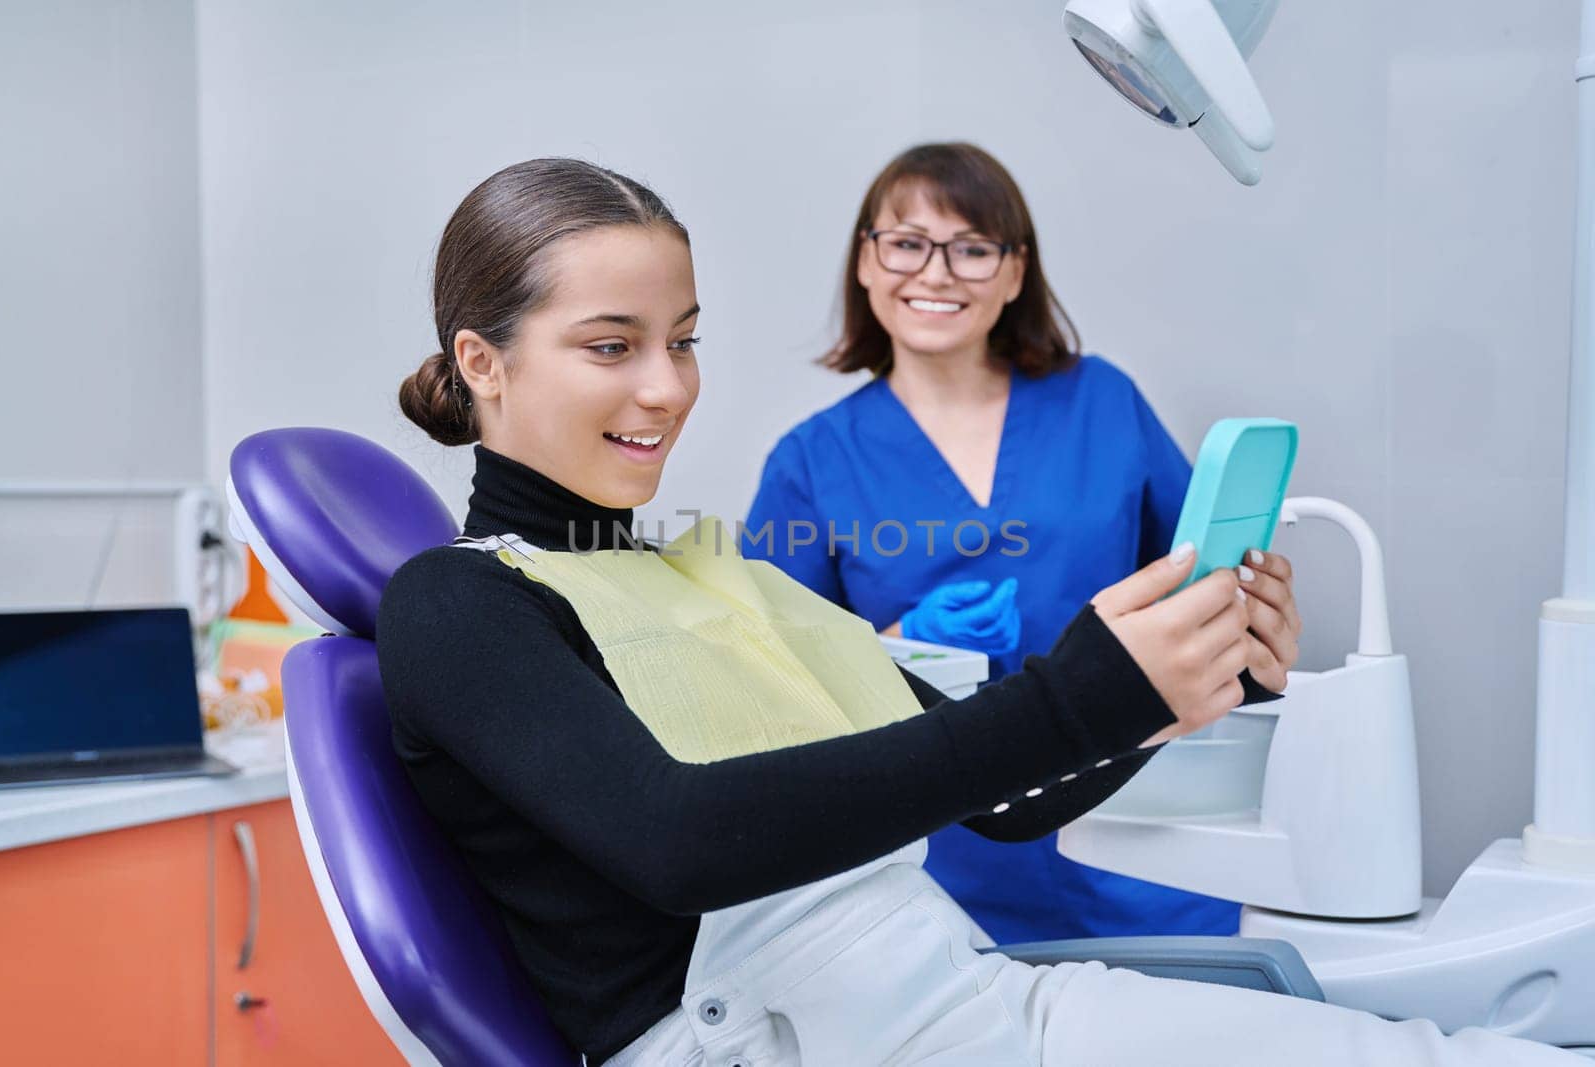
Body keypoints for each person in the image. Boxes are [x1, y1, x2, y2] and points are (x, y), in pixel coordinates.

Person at [376, 159, 1575, 1066]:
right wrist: (1080, 693)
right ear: (482, 361)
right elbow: (687, 843)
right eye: (610, 345)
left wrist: (1182, 685)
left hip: (946, 994)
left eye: (684, 340)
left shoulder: (697, 567)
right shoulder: (458, 601)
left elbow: (1007, 800)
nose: (667, 386)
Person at [744, 142, 1242, 944]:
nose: (936, 273)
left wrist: (1251, 602)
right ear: (865, 263)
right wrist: (898, 646)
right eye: (907, 243)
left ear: (1015, 273)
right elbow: (765, 699)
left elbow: (1208, 585)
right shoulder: (810, 460)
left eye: (973, 248)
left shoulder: (1102, 402)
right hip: (935, 869)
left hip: (1138, 845)